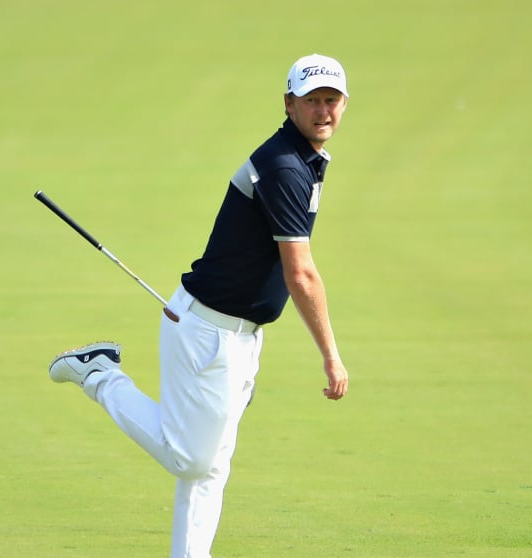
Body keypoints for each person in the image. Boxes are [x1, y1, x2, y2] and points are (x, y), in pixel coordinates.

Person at [47, 53, 351, 558]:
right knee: (192, 460)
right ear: (289, 104)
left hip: (238, 335)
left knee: (211, 466)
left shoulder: (305, 160)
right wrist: (331, 354)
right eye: (313, 100)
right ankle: (100, 374)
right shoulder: (284, 167)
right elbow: (300, 273)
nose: (323, 111)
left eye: (332, 101)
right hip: (208, 334)